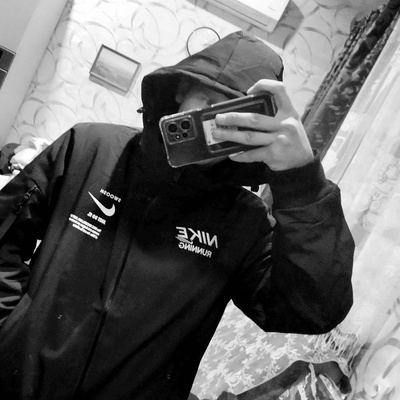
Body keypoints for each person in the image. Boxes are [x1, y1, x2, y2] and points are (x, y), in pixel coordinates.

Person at [0, 31, 354, 399]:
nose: (213, 125)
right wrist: (10, 329)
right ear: (180, 93)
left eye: (234, 116)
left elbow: (312, 310)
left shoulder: (245, 222)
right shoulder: (89, 147)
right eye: (207, 102)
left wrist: (301, 180)